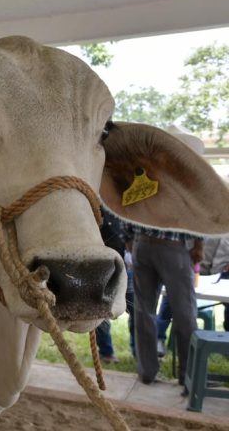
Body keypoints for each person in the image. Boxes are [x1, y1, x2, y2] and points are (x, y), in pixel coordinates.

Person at [126, 125, 205, 386]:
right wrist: (198, 246)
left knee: (144, 310)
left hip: (142, 246)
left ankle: (147, 372)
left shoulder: (143, 173)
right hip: (171, 248)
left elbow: (127, 207)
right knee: (184, 312)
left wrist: (131, 241)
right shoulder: (184, 181)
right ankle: (187, 375)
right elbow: (198, 216)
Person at [96, 209, 128, 364]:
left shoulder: (122, 209)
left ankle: (138, 351)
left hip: (124, 265)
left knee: (137, 308)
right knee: (101, 311)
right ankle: (106, 352)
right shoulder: (95, 205)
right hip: (102, 267)